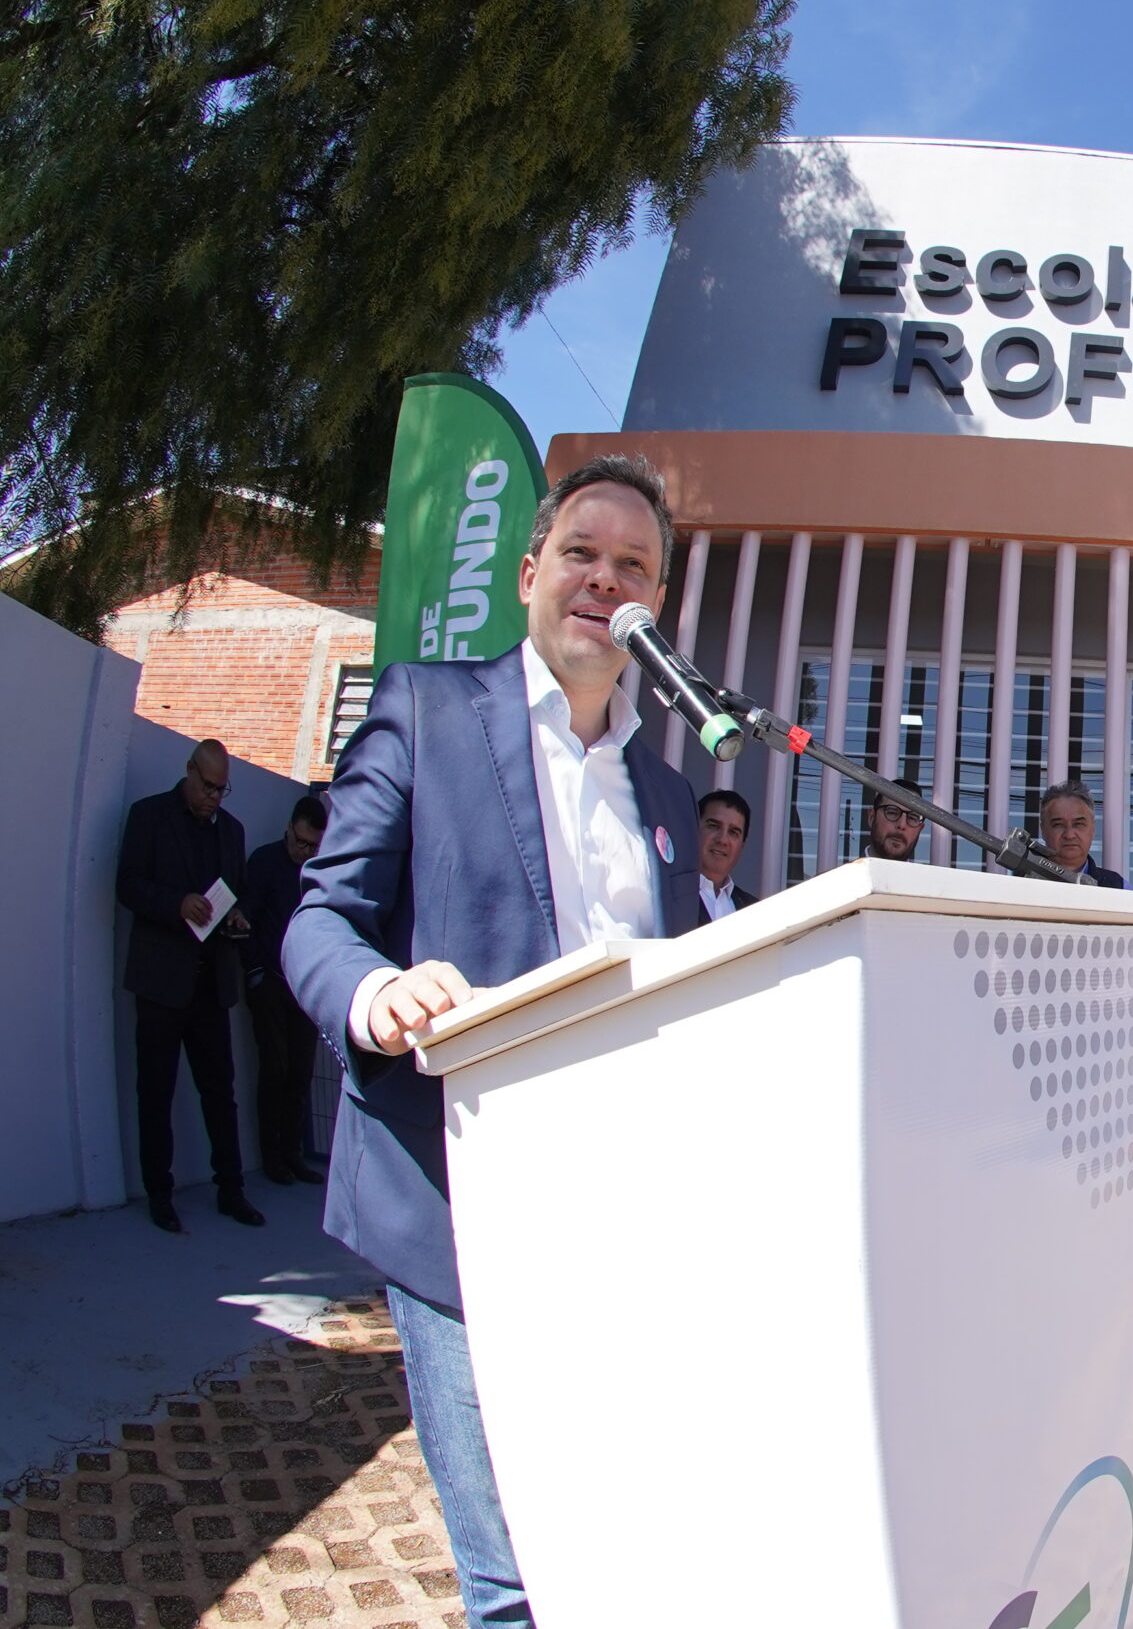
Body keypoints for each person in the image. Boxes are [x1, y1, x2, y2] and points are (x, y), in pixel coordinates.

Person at [286, 453, 705, 1629]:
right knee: (514, 1576)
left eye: (634, 566)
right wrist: (375, 994)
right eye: (582, 552)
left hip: (618, 1212)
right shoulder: (425, 705)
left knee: (609, 1532)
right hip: (457, 1200)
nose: (602, 578)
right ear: (529, 572)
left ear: (655, 605)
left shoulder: (668, 798)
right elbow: (323, 915)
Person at [116, 738, 263, 1233]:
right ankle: (160, 1193)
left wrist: (236, 918)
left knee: (219, 1091)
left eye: (222, 791)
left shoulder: (233, 832)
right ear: (188, 772)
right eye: (207, 787)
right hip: (161, 981)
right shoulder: (149, 816)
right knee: (155, 1092)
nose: (213, 798)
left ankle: (232, 1189)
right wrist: (176, 903)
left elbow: (234, 893)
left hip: (210, 983)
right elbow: (128, 884)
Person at [241, 794, 330, 1184]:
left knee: (300, 1073)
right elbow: (245, 919)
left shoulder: (320, 871)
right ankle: (272, 1156)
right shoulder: (264, 861)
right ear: (288, 830)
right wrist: (256, 973)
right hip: (271, 985)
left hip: (305, 987)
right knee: (274, 1071)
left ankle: (292, 1155)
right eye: (301, 842)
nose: (305, 851)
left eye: (314, 845)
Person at [1035, 778, 1133, 992]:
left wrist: (1097, 953)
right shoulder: (1019, 886)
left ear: (1092, 828)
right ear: (1043, 829)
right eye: (1058, 825)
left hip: (1098, 1015)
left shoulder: (1116, 887)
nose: (1069, 834)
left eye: (1079, 824)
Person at [697, 789, 757, 920]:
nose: (722, 840)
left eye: (733, 832)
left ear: (742, 845)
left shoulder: (755, 910)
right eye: (713, 826)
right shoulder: (667, 896)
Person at [862, 788, 926, 862]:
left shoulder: (928, 874)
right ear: (872, 817)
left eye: (912, 818)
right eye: (892, 813)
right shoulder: (847, 872)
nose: (902, 825)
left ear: (920, 830)